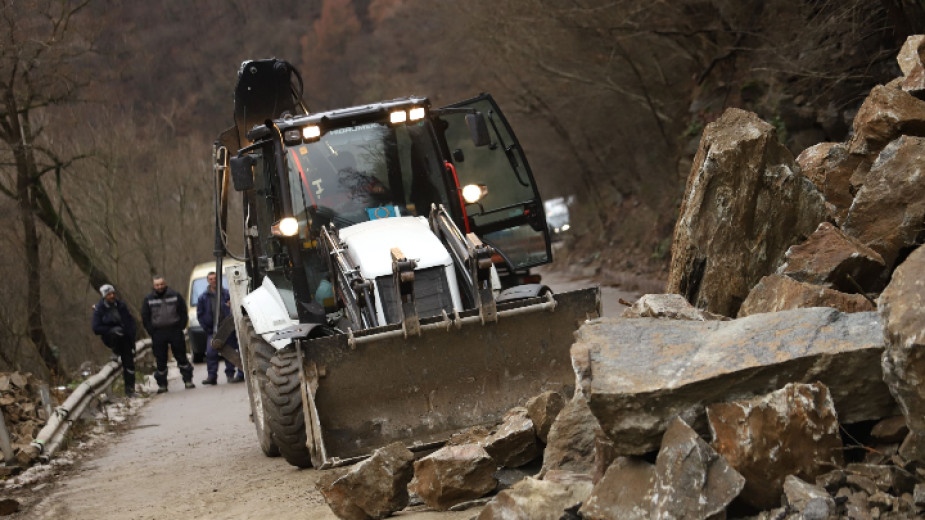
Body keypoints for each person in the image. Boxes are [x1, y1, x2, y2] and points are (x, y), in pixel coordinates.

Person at [141, 275, 195, 393]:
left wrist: (181, 326)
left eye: (161, 284)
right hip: (158, 332)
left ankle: (188, 380)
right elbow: (145, 316)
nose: (159, 287)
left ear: (165, 284)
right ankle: (162, 385)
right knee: (161, 359)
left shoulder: (175, 296)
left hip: (175, 330)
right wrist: (151, 331)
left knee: (181, 357)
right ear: (153, 286)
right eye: (157, 285)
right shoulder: (148, 299)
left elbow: (183, 311)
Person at [197, 271, 244, 385]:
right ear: (208, 281)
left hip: (227, 328)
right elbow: (200, 314)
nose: (213, 281)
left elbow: (236, 308)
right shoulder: (203, 297)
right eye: (211, 279)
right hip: (212, 330)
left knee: (230, 351)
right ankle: (212, 376)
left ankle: (230, 375)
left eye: (215, 278)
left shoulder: (228, 294)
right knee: (211, 353)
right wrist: (206, 327)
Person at [91, 284, 137, 397]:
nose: (112, 296)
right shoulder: (99, 309)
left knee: (129, 365)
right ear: (104, 296)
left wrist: (131, 334)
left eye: (113, 293)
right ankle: (115, 352)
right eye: (109, 294)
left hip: (126, 338)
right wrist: (111, 330)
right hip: (111, 338)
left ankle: (130, 390)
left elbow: (130, 321)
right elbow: (96, 328)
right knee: (116, 333)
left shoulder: (121, 306)